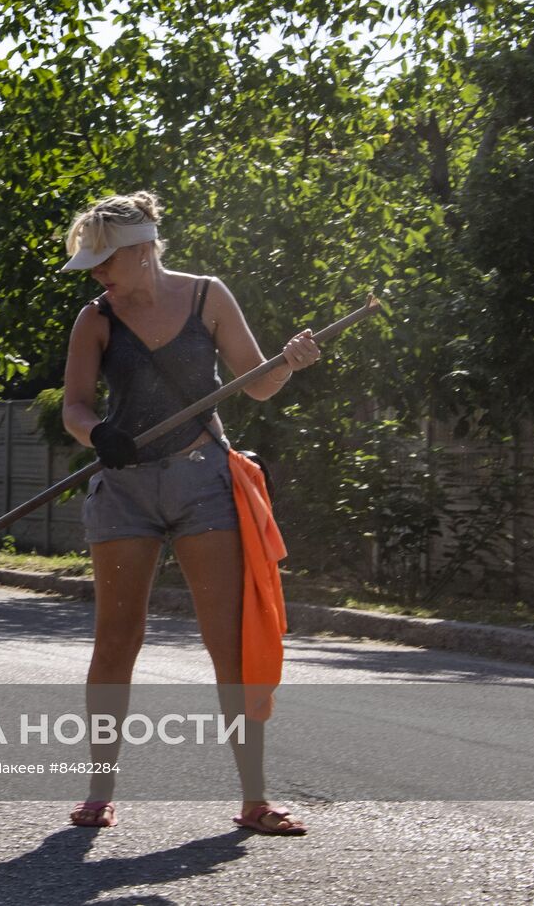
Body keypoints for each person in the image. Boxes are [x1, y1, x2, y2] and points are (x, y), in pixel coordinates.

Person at [59, 191, 320, 834]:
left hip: (204, 481)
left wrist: (288, 365)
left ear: (142, 249)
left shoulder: (207, 296)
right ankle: (99, 791)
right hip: (124, 487)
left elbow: (255, 382)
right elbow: (75, 408)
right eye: (90, 264)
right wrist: (99, 436)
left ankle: (254, 799)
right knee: (117, 638)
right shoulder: (95, 319)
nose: (96, 273)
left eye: (104, 260)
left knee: (226, 642)